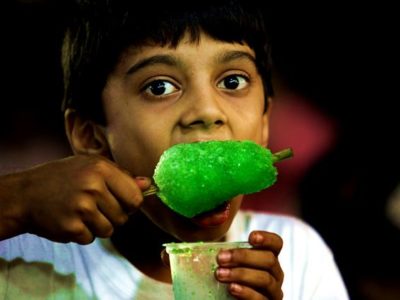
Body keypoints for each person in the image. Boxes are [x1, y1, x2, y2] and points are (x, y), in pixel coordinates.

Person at [0, 1, 349, 299]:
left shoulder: (298, 254)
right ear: (92, 136)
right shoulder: (23, 251)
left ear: (264, 122)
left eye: (232, 81)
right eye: (160, 86)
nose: (207, 112)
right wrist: (17, 200)